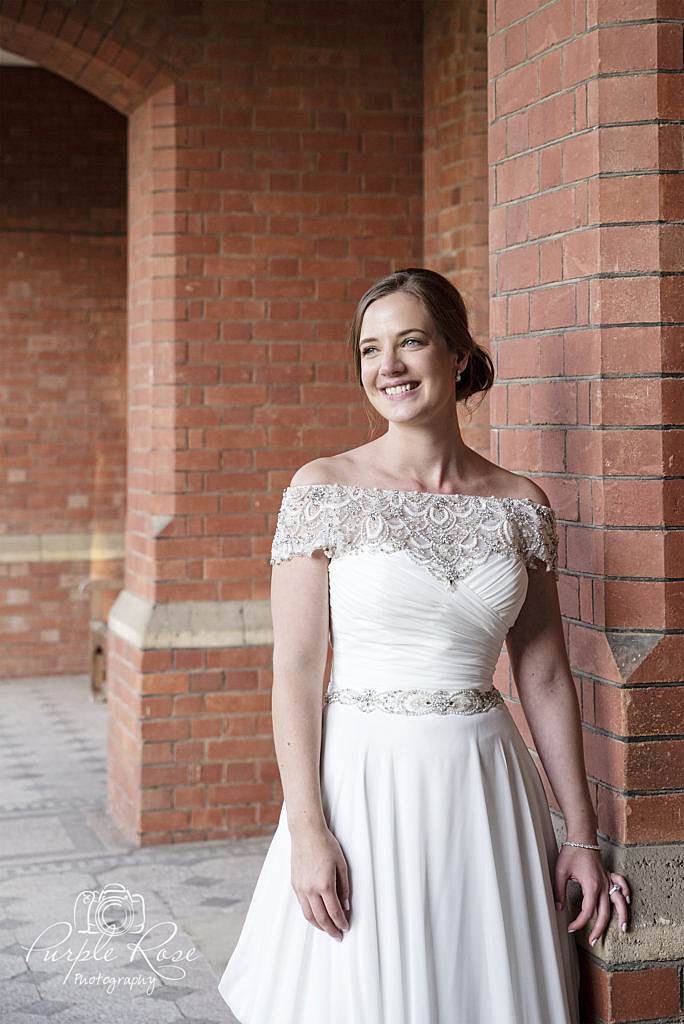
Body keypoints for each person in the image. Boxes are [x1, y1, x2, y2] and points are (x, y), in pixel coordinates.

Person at [218, 267, 631, 1023]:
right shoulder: (322, 489)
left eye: (411, 342)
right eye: (371, 350)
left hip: (485, 783)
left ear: (460, 356)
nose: (390, 367)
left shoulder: (519, 504)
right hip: (364, 783)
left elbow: (542, 675)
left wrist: (580, 835)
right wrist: (308, 830)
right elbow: (296, 674)